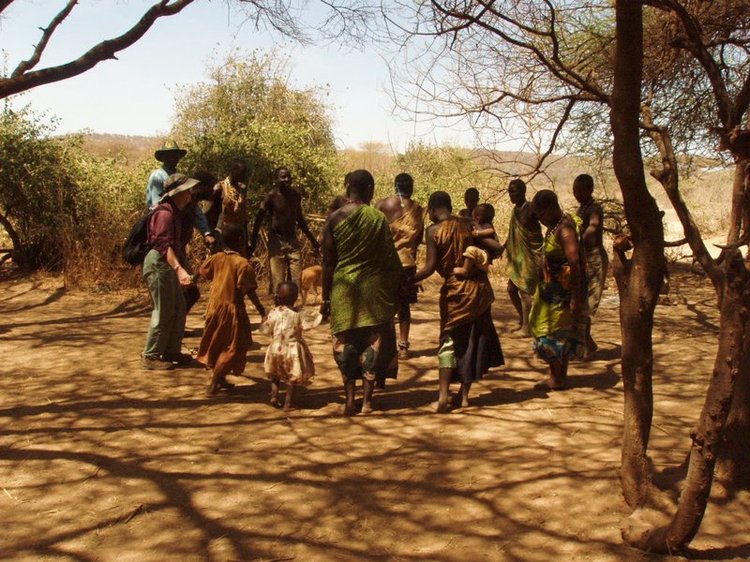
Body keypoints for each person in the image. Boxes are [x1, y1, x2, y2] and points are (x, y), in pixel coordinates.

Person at [320, 169, 403, 416]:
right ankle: (367, 402)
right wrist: (400, 285)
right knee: (372, 343)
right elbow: (390, 258)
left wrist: (325, 298)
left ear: (348, 188)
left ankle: (348, 400)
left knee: (345, 342)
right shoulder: (377, 218)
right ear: (369, 189)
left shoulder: (334, 218)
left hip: (343, 288)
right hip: (372, 290)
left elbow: (327, 262)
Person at [413, 191, 504, 413]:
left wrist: (408, 279)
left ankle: (443, 395)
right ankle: (463, 396)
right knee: (471, 343)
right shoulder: (469, 223)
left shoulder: (433, 231)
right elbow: (497, 248)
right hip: (479, 292)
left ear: (433, 209)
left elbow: (430, 267)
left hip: (454, 294)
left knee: (449, 342)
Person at [528, 190, 586, 391]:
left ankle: (557, 377)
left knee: (550, 332)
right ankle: (559, 376)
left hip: (561, 294)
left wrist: (577, 297)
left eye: (541, 214)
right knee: (552, 331)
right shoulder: (555, 225)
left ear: (551, 208)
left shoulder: (565, 230)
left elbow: (575, 263)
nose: (540, 220)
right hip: (550, 290)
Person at [141, 174, 200, 371]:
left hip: (167, 263)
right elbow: (163, 246)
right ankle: (151, 356)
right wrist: (179, 269)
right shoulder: (165, 214)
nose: (190, 195)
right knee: (164, 309)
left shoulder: (174, 213)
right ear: (178, 193)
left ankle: (171, 351)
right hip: (159, 264)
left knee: (179, 305)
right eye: (187, 191)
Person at [197, 223, 261, 397]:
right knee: (232, 348)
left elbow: (203, 272)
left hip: (213, 308)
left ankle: (220, 379)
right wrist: (262, 311)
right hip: (232, 311)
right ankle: (214, 384)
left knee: (217, 343)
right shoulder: (242, 264)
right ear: (241, 241)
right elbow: (249, 290)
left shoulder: (217, 258)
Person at [248, 167, 321, 297]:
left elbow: (300, 219)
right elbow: (259, 218)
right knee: (278, 282)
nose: (286, 180)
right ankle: (278, 310)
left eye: (288, 176)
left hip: (292, 240)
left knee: (296, 280)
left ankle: (294, 312)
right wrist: (253, 242)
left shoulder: (295, 195)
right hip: (276, 240)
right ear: (276, 179)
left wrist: (313, 240)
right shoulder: (271, 196)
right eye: (283, 177)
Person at [375, 172, 424, 359]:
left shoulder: (381, 205)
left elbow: (375, 233)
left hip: (384, 263)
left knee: (383, 306)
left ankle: (382, 346)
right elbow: (418, 239)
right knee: (404, 306)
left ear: (395, 185)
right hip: (407, 264)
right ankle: (403, 346)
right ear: (411, 188)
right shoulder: (418, 209)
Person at [260, 281, 320, 411]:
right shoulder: (299, 313)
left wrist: (264, 320)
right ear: (296, 297)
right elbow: (310, 324)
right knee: (292, 377)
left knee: (275, 374)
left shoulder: (273, 312)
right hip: (293, 349)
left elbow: (265, 330)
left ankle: (274, 397)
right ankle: (288, 403)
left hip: (275, 348)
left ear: (277, 297)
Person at [145, 140, 215, 249]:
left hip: (178, 231)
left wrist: (206, 232)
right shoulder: (157, 177)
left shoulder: (178, 177)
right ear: (163, 158)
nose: (173, 158)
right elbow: (156, 208)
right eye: (169, 155)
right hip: (163, 229)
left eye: (175, 155)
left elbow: (192, 206)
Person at [573, 173, 608, 357]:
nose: (577, 193)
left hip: (594, 258)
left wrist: (579, 238)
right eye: (575, 190)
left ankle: (585, 346)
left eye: (580, 190)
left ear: (590, 190)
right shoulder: (581, 209)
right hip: (582, 257)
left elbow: (593, 227)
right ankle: (588, 343)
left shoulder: (594, 209)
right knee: (579, 302)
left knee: (586, 304)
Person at [503, 179, 543, 335]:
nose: (511, 195)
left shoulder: (531, 209)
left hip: (531, 256)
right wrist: (504, 246)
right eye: (509, 191)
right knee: (511, 288)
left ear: (523, 192)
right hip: (518, 259)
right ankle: (524, 319)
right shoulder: (515, 211)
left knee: (526, 291)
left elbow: (545, 222)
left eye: (514, 191)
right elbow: (513, 233)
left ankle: (527, 327)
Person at [453, 203, 504, 278]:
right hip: (478, 257)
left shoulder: (486, 226)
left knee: (471, 250)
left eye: (474, 217)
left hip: (483, 255)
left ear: (478, 218)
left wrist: (478, 233)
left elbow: (491, 231)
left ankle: (465, 270)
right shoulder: (478, 225)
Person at [213, 160, 250, 254]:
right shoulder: (219, 187)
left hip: (239, 236)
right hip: (224, 234)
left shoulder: (242, 188)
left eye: (245, 172)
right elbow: (210, 212)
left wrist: (246, 239)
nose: (244, 176)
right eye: (241, 172)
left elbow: (243, 214)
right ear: (232, 171)